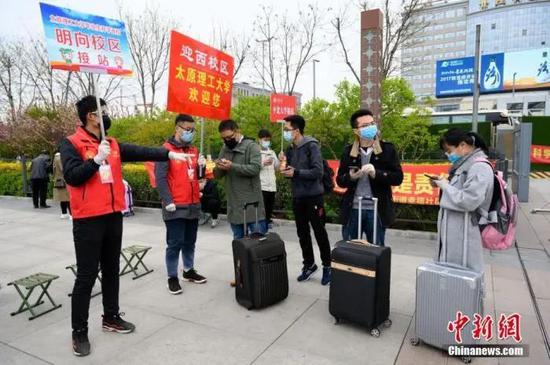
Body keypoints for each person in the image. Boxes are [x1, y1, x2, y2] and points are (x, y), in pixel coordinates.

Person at [59, 95, 190, 357]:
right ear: (91, 116)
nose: (107, 114)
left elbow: (142, 151)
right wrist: (95, 161)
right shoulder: (71, 143)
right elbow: (72, 178)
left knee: (111, 269)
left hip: (112, 215)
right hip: (88, 219)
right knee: (86, 275)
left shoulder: (113, 143)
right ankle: (79, 331)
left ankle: (111, 317)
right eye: (103, 111)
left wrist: (170, 154)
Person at [155, 114, 207, 295]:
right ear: (177, 128)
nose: (190, 133)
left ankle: (188, 270)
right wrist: (167, 200)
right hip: (175, 205)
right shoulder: (166, 150)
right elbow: (160, 178)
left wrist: (202, 180)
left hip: (193, 203)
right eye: (187, 129)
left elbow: (196, 175)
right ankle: (172, 277)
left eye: (193, 130)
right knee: (174, 243)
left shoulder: (193, 150)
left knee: (190, 241)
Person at [337, 109, 403, 246]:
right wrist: (351, 177)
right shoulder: (348, 151)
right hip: (353, 209)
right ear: (356, 131)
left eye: (372, 123)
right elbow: (340, 181)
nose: (371, 127)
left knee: (375, 253)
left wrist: (376, 173)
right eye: (365, 125)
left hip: (377, 210)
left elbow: (398, 177)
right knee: (350, 251)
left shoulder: (387, 149)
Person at [431, 128, 494, 274]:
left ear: (463, 145)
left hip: (466, 232)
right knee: (453, 275)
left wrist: (445, 186)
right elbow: (459, 190)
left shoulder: (479, 167)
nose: (448, 155)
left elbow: (469, 200)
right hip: (457, 231)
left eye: (449, 150)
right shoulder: (464, 165)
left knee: (465, 276)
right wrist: (442, 183)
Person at [279, 115, 332, 285]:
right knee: (302, 233)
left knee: (319, 232)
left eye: (287, 129)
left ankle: (328, 266)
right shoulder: (290, 148)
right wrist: (285, 169)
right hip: (298, 197)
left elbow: (318, 172)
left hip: (314, 196)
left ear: (297, 130)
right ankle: (309, 264)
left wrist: (296, 172)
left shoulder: (311, 145)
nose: (285, 132)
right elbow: (292, 173)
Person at [214, 119, 266, 286]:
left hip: (252, 205)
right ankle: (241, 277)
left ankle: (262, 278)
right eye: (223, 138)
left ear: (236, 131)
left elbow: (255, 168)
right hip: (234, 204)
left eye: (229, 137)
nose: (226, 141)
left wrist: (233, 167)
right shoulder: (224, 148)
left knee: (258, 242)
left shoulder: (251, 146)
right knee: (238, 243)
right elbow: (217, 176)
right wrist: (218, 167)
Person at [258, 129, 279, 229]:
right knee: (262, 211)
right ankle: (260, 231)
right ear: (259, 140)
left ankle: (265, 230)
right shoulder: (256, 153)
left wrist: (279, 159)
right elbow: (252, 168)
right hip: (262, 186)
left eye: (268, 140)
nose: (267, 142)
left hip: (272, 186)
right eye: (265, 139)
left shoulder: (272, 152)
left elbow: (277, 167)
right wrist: (262, 163)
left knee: (269, 211)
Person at [52, 151, 70, 219]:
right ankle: (71, 214)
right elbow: (63, 169)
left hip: (58, 180)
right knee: (67, 197)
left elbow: (53, 170)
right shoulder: (60, 158)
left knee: (62, 198)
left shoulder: (55, 158)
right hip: (64, 180)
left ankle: (64, 213)